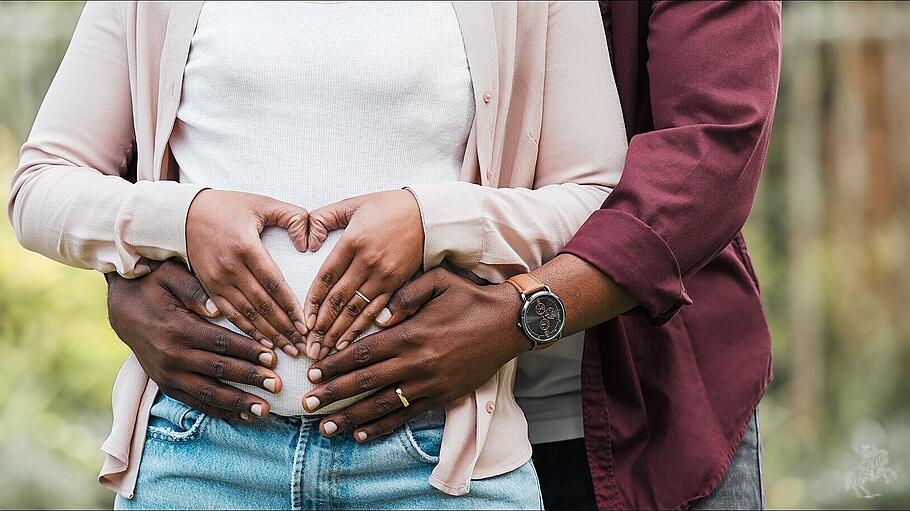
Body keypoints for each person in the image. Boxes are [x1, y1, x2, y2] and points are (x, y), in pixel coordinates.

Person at [99, 1, 781, 510]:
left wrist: (517, 316)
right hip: (402, 432)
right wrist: (130, 282)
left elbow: (712, 155)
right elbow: (168, 123)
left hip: (633, 406)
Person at [8, 2, 630, 510]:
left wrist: (433, 219)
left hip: (439, 463)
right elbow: (40, 186)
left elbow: (599, 199)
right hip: (199, 456)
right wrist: (183, 218)